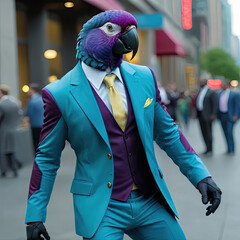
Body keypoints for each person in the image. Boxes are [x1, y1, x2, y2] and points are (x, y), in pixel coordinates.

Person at [25, 10, 222, 240]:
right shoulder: (60, 94)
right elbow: (47, 159)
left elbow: (169, 134)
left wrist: (201, 176)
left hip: (150, 201)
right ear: (88, 37)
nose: (128, 35)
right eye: (111, 28)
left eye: (130, 30)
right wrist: (35, 215)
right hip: (102, 208)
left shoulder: (145, 77)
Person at [0, 85, 22, 177]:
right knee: (12, 150)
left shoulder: (1, 104)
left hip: (3, 130)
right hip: (13, 129)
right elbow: (19, 117)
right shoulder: (15, 103)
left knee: (3, 151)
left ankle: (4, 171)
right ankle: (14, 169)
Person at [196, 79, 218, 156]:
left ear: (205, 83)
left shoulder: (211, 92)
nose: (200, 83)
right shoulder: (200, 91)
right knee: (203, 132)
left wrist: (213, 114)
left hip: (208, 115)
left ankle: (210, 149)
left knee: (209, 133)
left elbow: (215, 104)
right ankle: (207, 148)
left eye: (201, 82)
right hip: (200, 115)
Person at [218, 80, 239, 155]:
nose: (222, 85)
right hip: (222, 115)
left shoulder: (234, 94)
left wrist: (236, 115)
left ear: (227, 85)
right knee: (225, 132)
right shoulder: (220, 94)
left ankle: (232, 149)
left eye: (223, 84)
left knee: (230, 132)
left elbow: (237, 105)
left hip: (230, 116)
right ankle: (228, 148)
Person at [26, 83, 44, 152]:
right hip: (43, 124)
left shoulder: (31, 101)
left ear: (32, 90)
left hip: (34, 125)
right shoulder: (42, 98)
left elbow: (29, 113)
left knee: (36, 143)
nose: (28, 91)